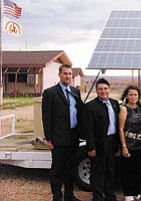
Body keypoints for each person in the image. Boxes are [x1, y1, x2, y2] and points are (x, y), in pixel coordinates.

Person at [42, 64, 84, 201]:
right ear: (59, 74)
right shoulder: (50, 93)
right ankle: (57, 196)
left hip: (73, 136)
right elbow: (46, 117)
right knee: (57, 169)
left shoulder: (75, 92)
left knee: (70, 168)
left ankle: (69, 195)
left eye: (69, 74)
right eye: (65, 73)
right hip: (58, 138)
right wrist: (48, 139)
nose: (67, 76)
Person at [84, 78, 120, 201]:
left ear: (109, 89)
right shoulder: (90, 106)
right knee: (98, 172)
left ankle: (110, 196)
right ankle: (97, 197)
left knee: (110, 170)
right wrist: (91, 147)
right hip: (98, 143)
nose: (103, 91)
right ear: (96, 90)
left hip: (112, 142)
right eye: (100, 89)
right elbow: (88, 129)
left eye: (105, 88)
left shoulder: (115, 104)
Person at [119, 85, 141, 201]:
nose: (133, 97)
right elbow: (121, 129)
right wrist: (124, 146)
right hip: (129, 145)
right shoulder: (124, 109)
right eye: (131, 94)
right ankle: (128, 194)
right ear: (127, 96)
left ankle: (137, 192)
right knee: (128, 171)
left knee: (139, 170)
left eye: (135, 94)